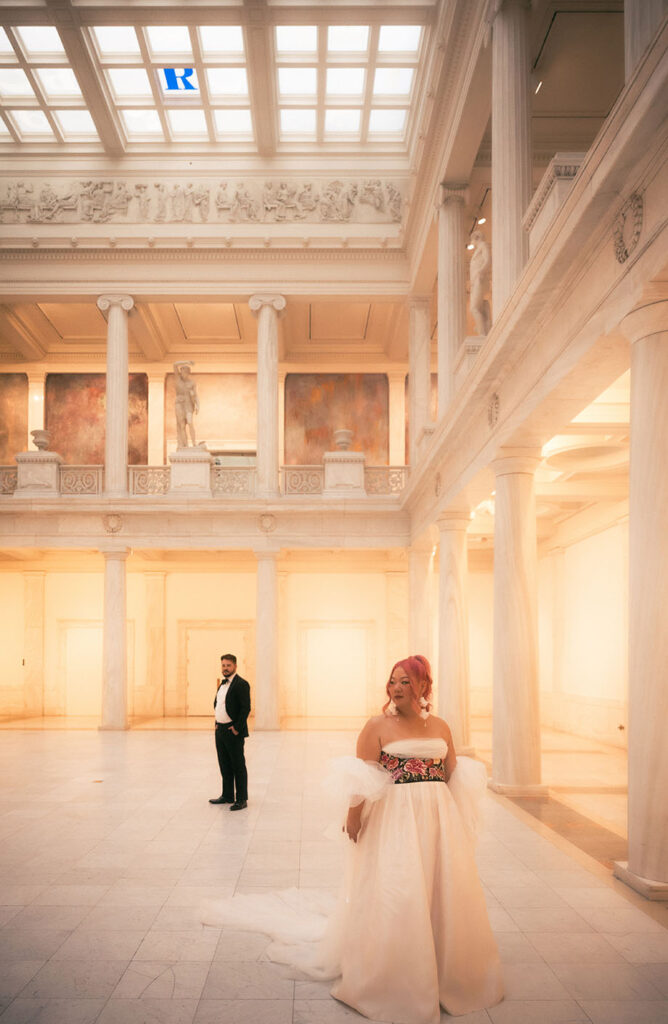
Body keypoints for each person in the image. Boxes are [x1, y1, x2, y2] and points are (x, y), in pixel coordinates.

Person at [203, 655, 503, 1023]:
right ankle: (396, 972)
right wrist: (353, 816)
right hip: (395, 820)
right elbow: (364, 777)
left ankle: (443, 967)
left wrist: (457, 819)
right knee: (400, 888)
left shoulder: (440, 726)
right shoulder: (377, 726)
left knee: (438, 887)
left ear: (425, 686)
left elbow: (452, 772)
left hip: (436, 819)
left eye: (406, 681)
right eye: (392, 681)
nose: (396, 688)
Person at [209, 654, 251, 811]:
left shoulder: (241, 684)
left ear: (235, 666)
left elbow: (245, 708)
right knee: (224, 764)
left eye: (228, 665)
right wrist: (216, 723)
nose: (225, 668)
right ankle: (227, 795)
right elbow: (218, 704)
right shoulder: (222, 684)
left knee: (238, 765)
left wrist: (236, 728)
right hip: (220, 731)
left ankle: (241, 799)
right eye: (223, 665)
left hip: (232, 731)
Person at [469, 229, 492, 336]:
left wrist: (480, 272)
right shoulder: (479, 249)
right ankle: (486, 326)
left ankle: (482, 333)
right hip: (476, 282)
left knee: (474, 307)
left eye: (472, 240)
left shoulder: (483, 245)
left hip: (480, 279)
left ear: (476, 238)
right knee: (481, 305)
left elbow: (488, 260)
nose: (471, 243)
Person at [173, 360, 199, 448]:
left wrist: (198, 405)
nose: (184, 374)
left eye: (186, 372)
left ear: (188, 373)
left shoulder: (191, 383)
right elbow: (175, 364)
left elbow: (195, 395)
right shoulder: (178, 379)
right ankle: (185, 445)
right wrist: (186, 362)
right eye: (182, 372)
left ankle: (194, 443)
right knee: (182, 425)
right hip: (179, 404)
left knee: (190, 422)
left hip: (188, 405)